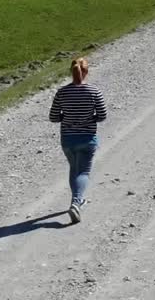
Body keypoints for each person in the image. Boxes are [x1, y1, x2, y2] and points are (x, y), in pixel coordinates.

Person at [48, 57, 107, 224]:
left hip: (68, 139)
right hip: (87, 137)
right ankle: (76, 203)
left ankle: (77, 200)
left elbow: (53, 117)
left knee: (74, 169)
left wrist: (66, 117)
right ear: (86, 71)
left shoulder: (62, 92)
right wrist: (89, 118)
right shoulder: (94, 91)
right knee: (83, 172)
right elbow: (102, 116)